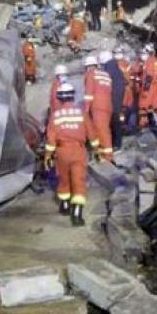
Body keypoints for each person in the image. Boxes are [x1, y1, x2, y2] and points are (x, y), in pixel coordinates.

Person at [44, 82, 100, 226]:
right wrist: (96, 149)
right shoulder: (81, 113)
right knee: (78, 181)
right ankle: (77, 214)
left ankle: (64, 205)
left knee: (64, 179)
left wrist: (48, 156)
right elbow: (91, 133)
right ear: (73, 97)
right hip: (78, 151)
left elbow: (51, 139)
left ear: (59, 98)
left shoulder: (55, 116)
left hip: (62, 152)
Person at [83, 55, 114, 161]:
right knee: (102, 130)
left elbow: (88, 93)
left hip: (97, 106)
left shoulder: (90, 74)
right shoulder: (105, 74)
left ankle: (108, 157)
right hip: (108, 106)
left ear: (87, 66)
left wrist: (86, 110)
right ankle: (102, 154)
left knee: (102, 131)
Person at [99, 50, 126, 151]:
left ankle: (116, 144)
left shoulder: (109, 70)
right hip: (117, 100)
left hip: (113, 101)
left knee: (114, 122)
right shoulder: (115, 68)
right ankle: (117, 143)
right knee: (116, 122)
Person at [138, 44, 157, 129]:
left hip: (149, 90)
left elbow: (148, 78)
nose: (141, 55)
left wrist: (145, 91)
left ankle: (143, 127)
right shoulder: (155, 61)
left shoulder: (150, 62)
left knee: (142, 108)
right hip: (156, 89)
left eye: (143, 53)